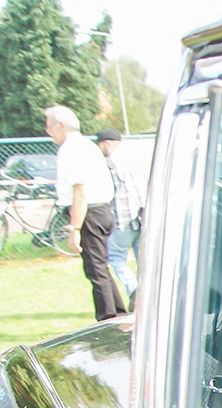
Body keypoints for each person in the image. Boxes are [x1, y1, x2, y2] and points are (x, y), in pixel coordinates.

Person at [45, 105, 127, 321]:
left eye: (49, 126)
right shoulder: (85, 145)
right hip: (99, 212)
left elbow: (79, 191)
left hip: (90, 213)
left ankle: (107, 318)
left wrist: (75, 228)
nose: (48, 131)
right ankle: (117, 314)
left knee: (96, 270)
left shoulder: (72, 149)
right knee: (100, 268)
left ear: (61, 126)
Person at [95, 127, 147, 305]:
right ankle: (147, 293)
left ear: (107, 143)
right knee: (143, 258)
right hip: (142, 216)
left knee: (115, 255)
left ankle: (133, 289)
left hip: (123, 217)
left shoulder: (110, 162)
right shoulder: (136, 158)